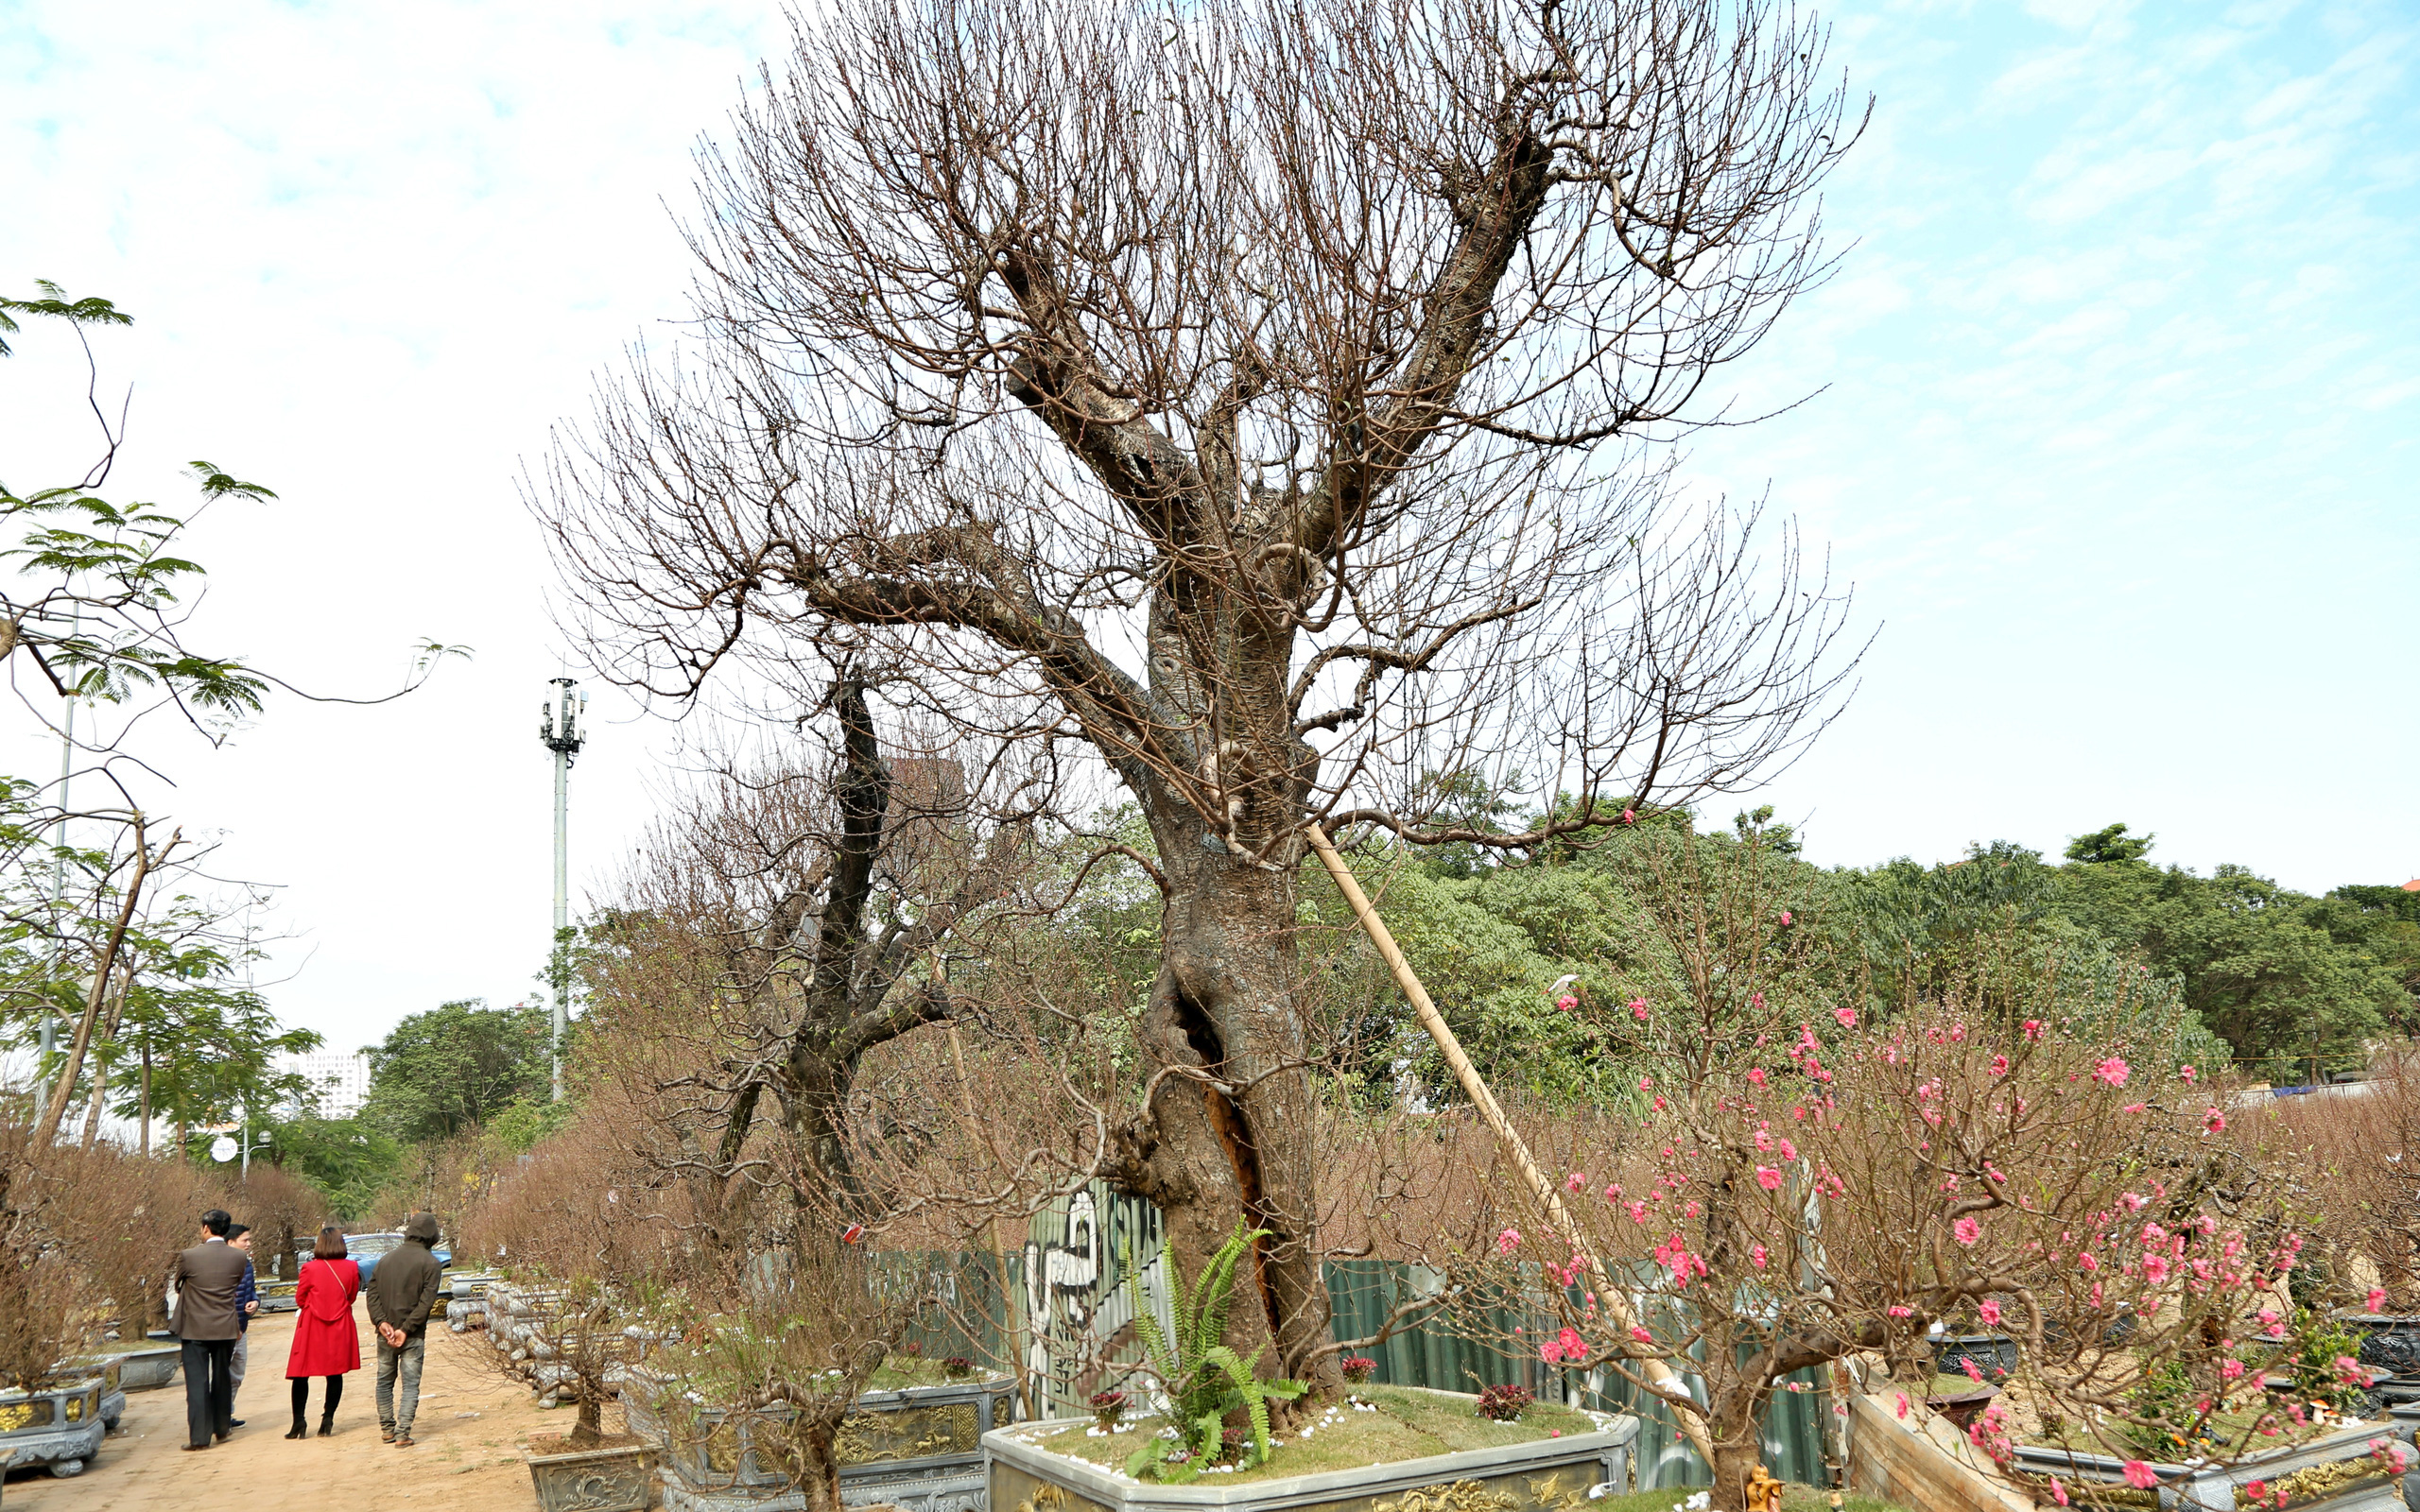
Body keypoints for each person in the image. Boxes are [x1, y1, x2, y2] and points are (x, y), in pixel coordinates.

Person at [168, 1208, 251, 1451]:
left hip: (194, 1328)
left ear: (205, 1228)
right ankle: (222, 1428)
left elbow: (178, 1283)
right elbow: (235, 1283)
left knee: (197, 1382)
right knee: (222, 1378)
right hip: (226, 1325)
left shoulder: (188, 1255)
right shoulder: (238, 1257)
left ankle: (199, 1438)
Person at [364, 1211, 443, 1448]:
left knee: (384, 1382)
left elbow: (372, 1294)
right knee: (410, 1385)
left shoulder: (386, 1260)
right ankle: (402, 1434)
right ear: (432, 1234)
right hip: (412, 1335)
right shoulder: (431, 1263)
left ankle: (387, 1430)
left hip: (385, 1335)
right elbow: (426, 1303)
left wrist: (381, 1323)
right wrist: (406, 1330)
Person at [285, 1224, 361, 1438]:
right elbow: (351, 1296)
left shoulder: (310, 1268)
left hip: (312, 1325)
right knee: (335, 1373)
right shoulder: (352, 1268)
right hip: (340, 1324)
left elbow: (300, 1299)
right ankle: (328, 1419)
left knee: (301, 1373)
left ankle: (298, 1421)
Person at [226, 1223, 261, 1427]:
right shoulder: (221, 1266)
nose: (248, 1244)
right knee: (222, 1373)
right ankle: (219, 1415)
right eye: (244, 1240)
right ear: (230, 1242)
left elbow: (252, 1290)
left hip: (242, 1327)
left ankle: (227, 1412)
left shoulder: (247, 1265)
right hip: (226, 1330)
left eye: (249, 1240)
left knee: (237, 1375)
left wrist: (255, 1302)